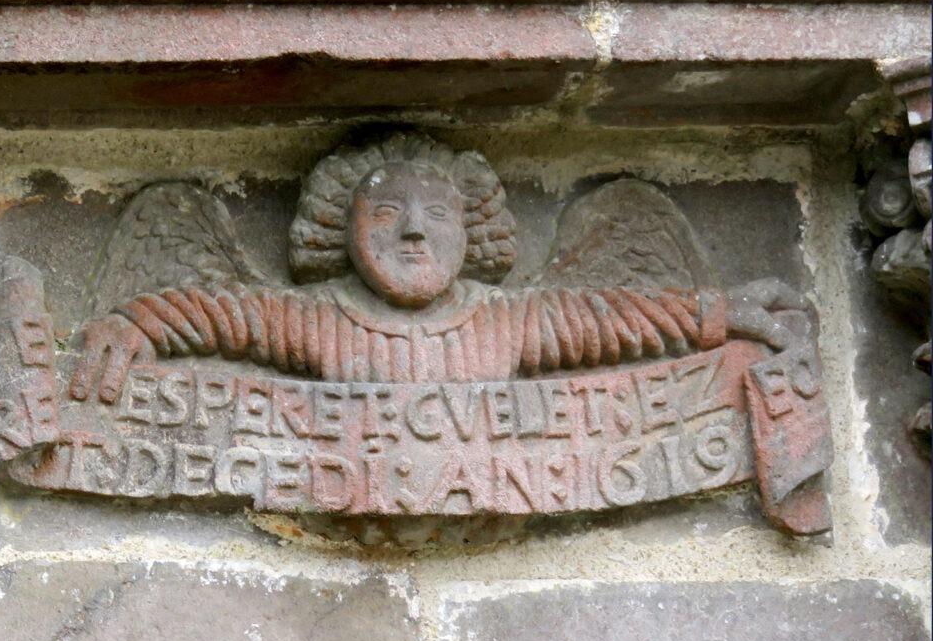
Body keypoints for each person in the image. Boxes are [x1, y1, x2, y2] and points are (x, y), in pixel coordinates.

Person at [69, 142, 804, 403]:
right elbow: (220, 312)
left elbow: (608, 321)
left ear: (473, 228)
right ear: (340, 232)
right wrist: (136, 322)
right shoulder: (317, 315)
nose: (414, 229)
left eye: (438, 214)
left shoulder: (509, 318)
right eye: (385, 213)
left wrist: (716, 313)